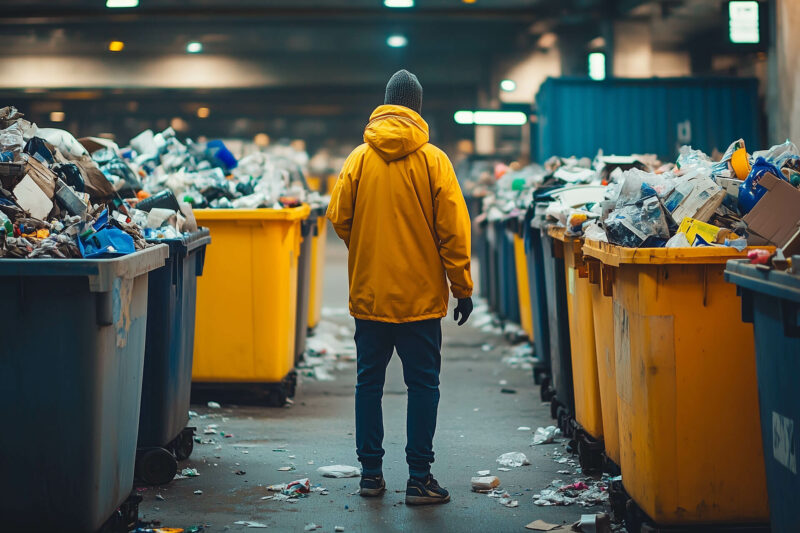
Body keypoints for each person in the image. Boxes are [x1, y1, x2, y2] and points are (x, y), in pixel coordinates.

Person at [327, 69, 473, 506]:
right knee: (423, 386)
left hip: (370, 296)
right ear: (418, 107)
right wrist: (461, 286)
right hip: (420, 300)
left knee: (368, 384)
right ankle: (419, 478)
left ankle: (370, 475)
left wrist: (367, 245)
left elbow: (338, 216)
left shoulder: (358, 158)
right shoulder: (434, 160)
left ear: (387, 104)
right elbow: (454, 231)